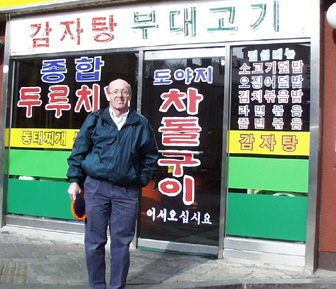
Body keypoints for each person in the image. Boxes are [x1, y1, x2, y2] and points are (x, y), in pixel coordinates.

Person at [67, 78, 158, 289]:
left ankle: (117, 287)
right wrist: (74, 180)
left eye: (124, 92)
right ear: (107, 95)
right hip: (95, 188)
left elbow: (150, 156)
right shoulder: (95, 119)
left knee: (121, 244)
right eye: (115, 92)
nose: (120, 96)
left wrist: (140, 179)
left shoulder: (140, 123)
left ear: (130, 95)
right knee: (94, 243)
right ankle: (97, 286)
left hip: (126, 191)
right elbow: (79, 150)